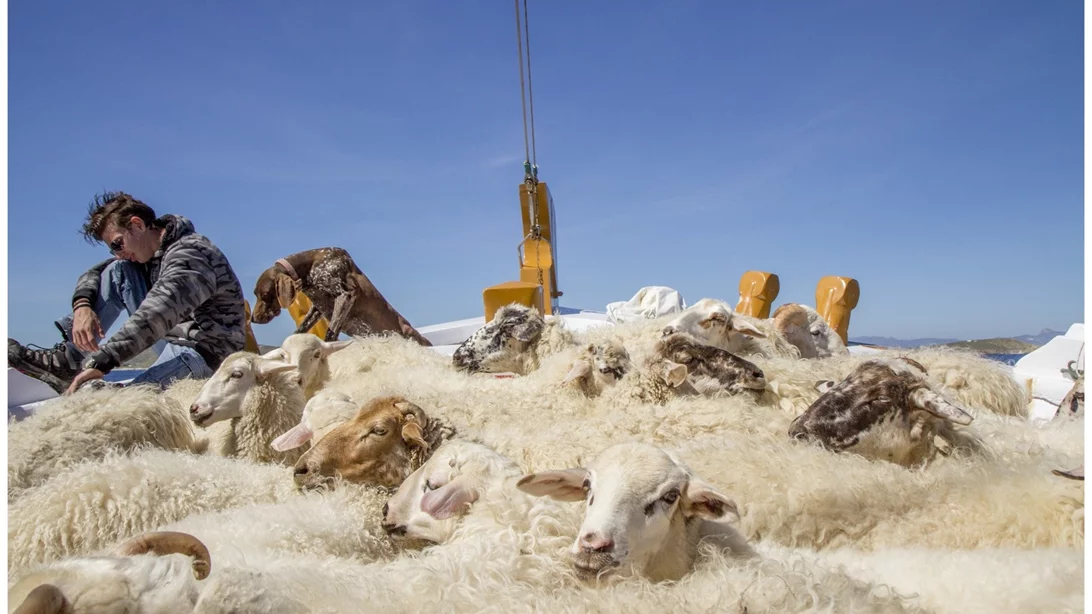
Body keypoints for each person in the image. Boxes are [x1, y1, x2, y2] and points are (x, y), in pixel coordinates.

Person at [8, 192, 247, 394]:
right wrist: (82, 305)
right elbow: (97, 272)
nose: (117, 253)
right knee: (119, 270)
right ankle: (68, 361)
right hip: (171, 340)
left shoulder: (192, 254)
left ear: (137, 225)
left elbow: (157, 313)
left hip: (206, 355)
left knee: (122, 407)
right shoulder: (147, 257)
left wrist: (103, 361)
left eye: (117, 244)